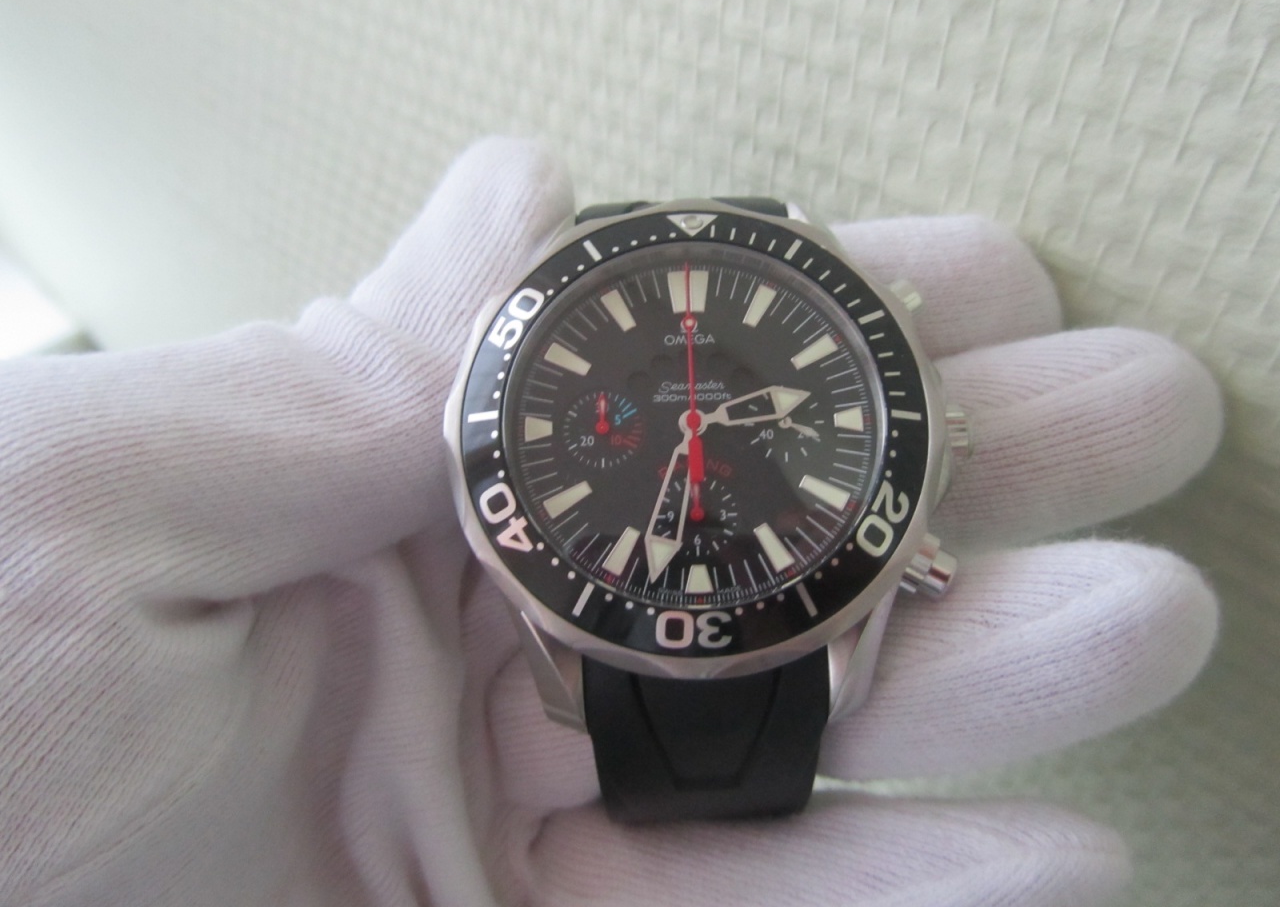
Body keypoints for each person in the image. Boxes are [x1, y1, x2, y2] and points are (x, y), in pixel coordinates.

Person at [0, 139, 1222, 907]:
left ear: (926, 436)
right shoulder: (516, 442)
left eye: (713, 413)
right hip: (610, 612)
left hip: (763, 592)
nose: (690, 424)